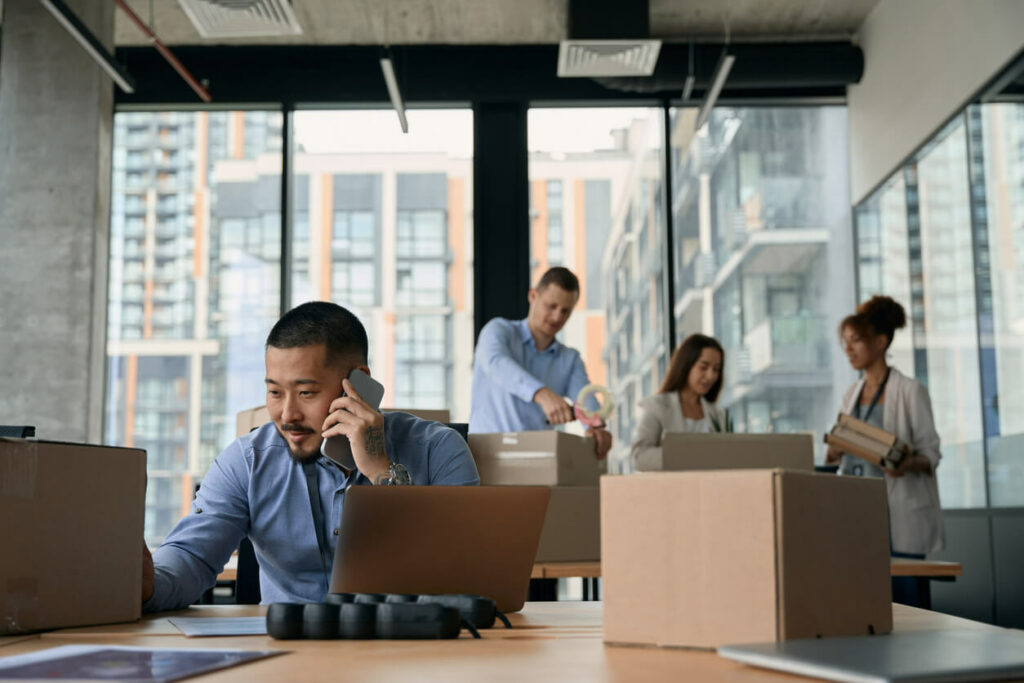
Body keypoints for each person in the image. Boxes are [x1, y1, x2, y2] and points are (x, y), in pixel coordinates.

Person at [141, 302, 480, 612]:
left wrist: (381, 471)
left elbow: (462, 573)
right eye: (274, 392)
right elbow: (192, 557)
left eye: (306, 393)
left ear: (357, 384)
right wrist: (147, 584)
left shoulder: (439, 449)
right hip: (286, 660)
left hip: (406, 656)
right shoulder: (247, 461)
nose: (287, 414)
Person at [826, 295, 944, 565]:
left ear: (880, 342)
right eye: (846, 342)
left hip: (897, 512)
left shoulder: (910, 391)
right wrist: (834, 451)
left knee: (905, 599)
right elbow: (834, 454)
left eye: (856, 340)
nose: (848, 350)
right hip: (859, 511)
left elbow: (931, 454)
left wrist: (906, 463)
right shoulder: (851, 395)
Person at [468, 266, 612, 459]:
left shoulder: (570, 360)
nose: (557, 317)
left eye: (565, 311)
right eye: (551, 306)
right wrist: (542, 394)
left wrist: (596, 426)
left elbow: (585, 399)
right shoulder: (497, 331)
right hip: (484, 459)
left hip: (536, 462)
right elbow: (497, 364)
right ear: (533, 295)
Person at [630, 334, 730, 471]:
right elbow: (639, 457)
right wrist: (691, 456)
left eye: (716, 370)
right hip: (671, 489)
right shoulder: (657, 406)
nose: (711, 376)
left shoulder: (717, 414)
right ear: (686, 365)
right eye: (703, 367)